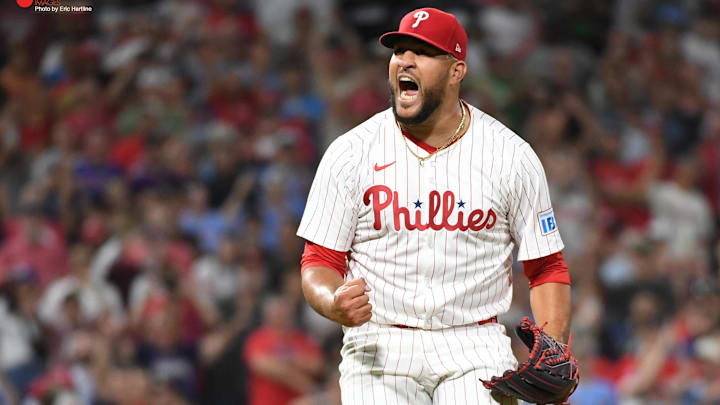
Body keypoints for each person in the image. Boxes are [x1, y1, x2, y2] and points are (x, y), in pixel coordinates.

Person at [297, 7, 574, 405]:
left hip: (475, 344)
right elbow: (318, 260)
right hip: (380, 342)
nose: (405, 61)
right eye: (399, 51)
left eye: (423, 52)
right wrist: (332, 300)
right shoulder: (350, 153)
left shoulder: (510, 156)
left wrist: (554, 346)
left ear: (456, 70)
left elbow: (546, 266)